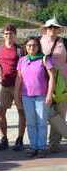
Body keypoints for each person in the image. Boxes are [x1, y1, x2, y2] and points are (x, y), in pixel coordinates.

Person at [14, 36, 55, 157]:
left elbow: (52, 77)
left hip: (41, 96)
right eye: (29, 45)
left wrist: (49, 94)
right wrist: (16, 96)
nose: (32, 47)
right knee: (31, 123)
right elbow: (19, 79)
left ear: (38, 47)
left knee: (41, 123)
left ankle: (42, 147)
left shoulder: (44, 59)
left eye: (34, 45)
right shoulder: (22, 60)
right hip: (26, 96)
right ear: (25, 47)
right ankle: (33, 147)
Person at [0, 24, 25, 151]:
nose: (8, 35)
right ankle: (4, 139)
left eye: (11, 33)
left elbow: (24, 66)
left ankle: (20, 139)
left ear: (15, 35)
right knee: (1, 112)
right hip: (5, 86)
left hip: (18, 86)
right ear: (3, 35)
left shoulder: (20, 49)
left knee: (21, 112)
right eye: (6, 33)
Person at [40, 17, 67, 153]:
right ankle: (41, 143)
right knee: (48, 113)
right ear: (45, 29)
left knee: (60, 113)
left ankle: (54, 145)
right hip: (44, 82)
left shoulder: (64, 43)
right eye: (50, 27)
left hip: (62, 83)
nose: (53, 30)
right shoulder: (38, 42)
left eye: (55, 27)